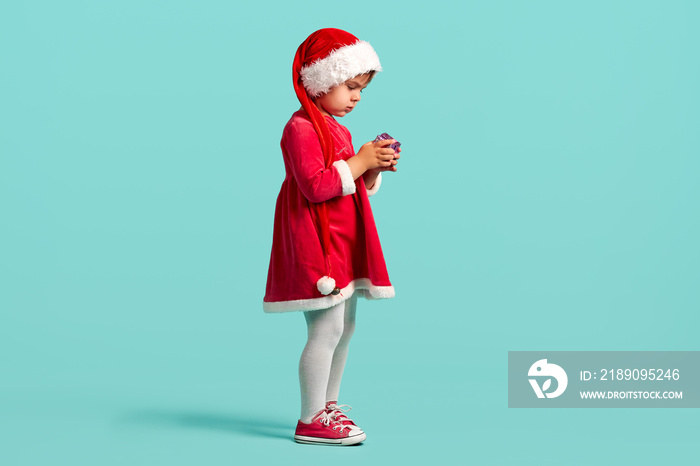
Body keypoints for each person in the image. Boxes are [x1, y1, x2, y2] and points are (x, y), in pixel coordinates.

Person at [263, 28, 400, 446]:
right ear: (321, 82)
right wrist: (359, 160)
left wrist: (370, 168)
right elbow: (316, 187)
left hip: (341, 241)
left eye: (361, 89)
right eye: (350, 86)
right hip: (316, 244)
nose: (357, 97)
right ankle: (310, 418)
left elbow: (348, 182)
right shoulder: (301, 127)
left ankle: (328, 406)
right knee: (326, 329)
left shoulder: (333, 126)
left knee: (345, 327)